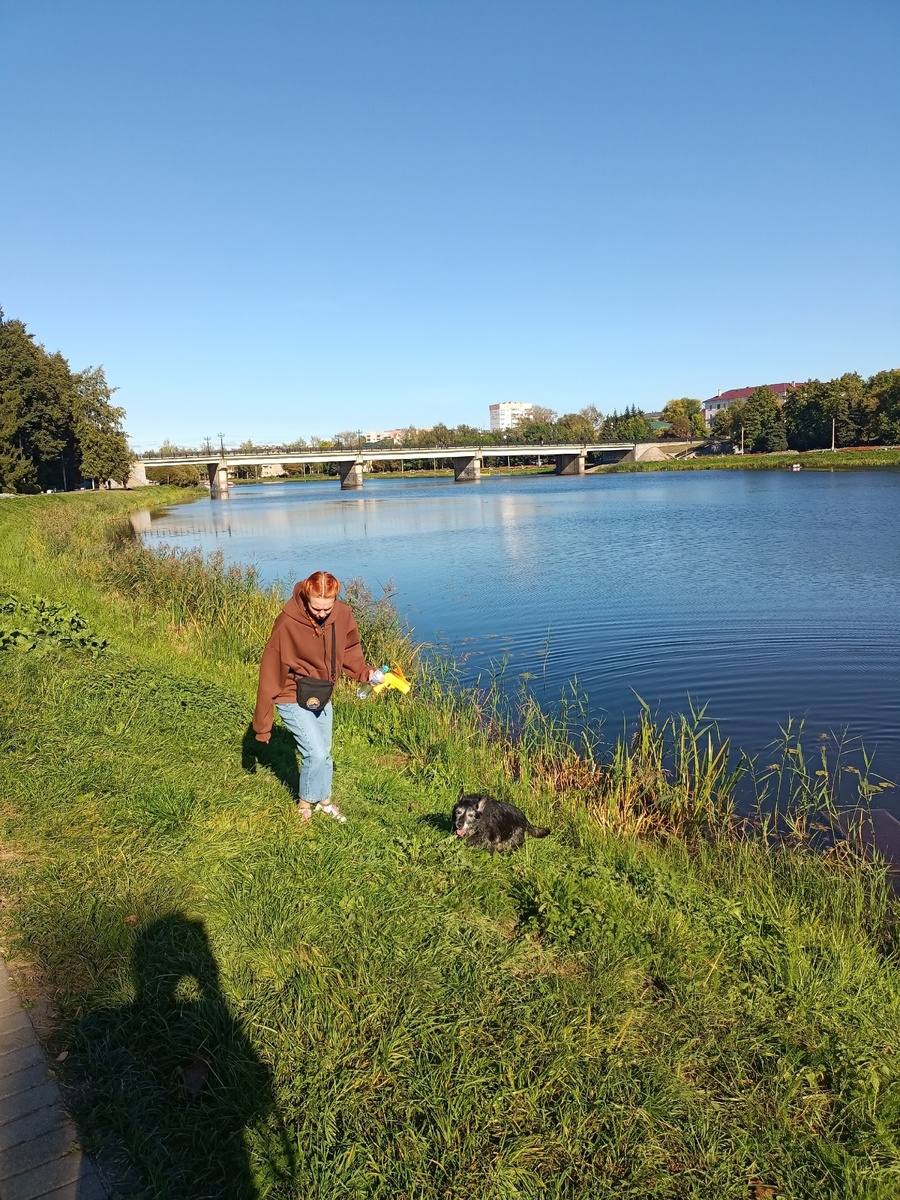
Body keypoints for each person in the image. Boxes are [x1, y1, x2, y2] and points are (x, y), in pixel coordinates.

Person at [253, 570, 377, 822]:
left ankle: (324, 802)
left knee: (326, 752)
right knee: (316, 753)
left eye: (326, 608)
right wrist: (263, 726)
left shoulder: (342, 614)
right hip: (290, 693)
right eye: (316, 608)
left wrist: (366, 673)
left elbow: (350, 649)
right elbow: (269, 673)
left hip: (321, 694)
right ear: (307, 597)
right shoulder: (288, 622)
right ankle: (304, 805)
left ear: (335, 599)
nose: (321, 614)